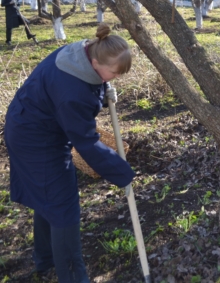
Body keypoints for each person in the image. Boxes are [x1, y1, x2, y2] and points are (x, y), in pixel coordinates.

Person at [4, 23, 135, 282]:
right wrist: (122, 172)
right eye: (113, 73)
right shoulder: (72, 93)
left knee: (47, 197)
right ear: (96, 61)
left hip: (29, 123)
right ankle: (73, 277)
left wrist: (103, 87)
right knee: (63, 207)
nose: (115, 78)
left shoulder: (81, 52)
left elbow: (87, 86)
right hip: (35, 140)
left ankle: (46, 261)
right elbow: (86, 142)